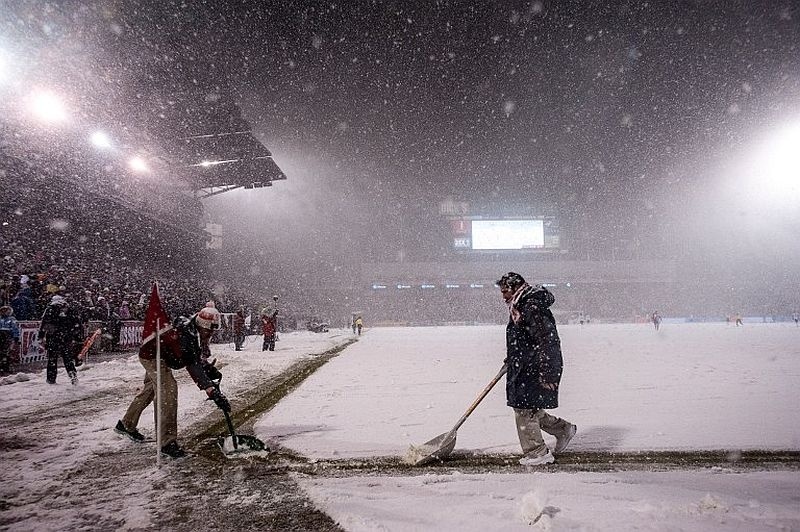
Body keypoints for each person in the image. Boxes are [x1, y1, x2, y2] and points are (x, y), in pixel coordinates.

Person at [116, 285, 229, 459]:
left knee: (150, 390)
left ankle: (126, 424)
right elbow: (192, 364)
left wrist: (208, 370)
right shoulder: (186, 334)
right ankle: (166, 442)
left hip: (160, 355)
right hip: (153, 356)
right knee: (168, 391)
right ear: (203, 325)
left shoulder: (194, 329)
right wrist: (210, 389)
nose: (211, 334)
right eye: (210, 330)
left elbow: (195, 358)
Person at [496, 272, 577, 466]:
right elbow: (525, 339)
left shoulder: (531, 307)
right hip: (524, 365)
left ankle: (537, 453)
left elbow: (548, 340)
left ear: (516, 288)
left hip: (535, 367)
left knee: (524, 409)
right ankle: (563, 429)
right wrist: (513, 357)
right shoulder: (520, 305)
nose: (503, 296)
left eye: (506, 291)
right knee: (529, 408)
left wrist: (548, 372)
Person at [38, 295, 82, 385]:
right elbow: (77, 323)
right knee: (67, 358)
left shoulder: (50, 309)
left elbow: (44, 324)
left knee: (52, 359)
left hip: (53, 337)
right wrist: (76, 336)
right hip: (66, 337)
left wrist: (41, 336)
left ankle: (51, 379)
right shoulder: (69, 309)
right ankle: (72, 374)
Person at [0, 305, 21, 375]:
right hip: (2, 336)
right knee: (2, 352)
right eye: (2, 311)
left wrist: (16, 337)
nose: (4, 312)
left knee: (6, 352)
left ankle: (6, 366)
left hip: (7, 337)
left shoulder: (11, 319)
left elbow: (15, 328)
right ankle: (3, 366)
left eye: (5, 311)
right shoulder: (1, 319)